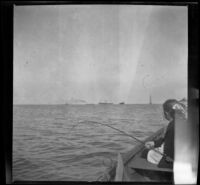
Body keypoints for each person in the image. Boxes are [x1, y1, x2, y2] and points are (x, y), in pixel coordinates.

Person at [143, 99, 187, 169]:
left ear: (166, 113)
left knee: (146, 153)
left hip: (176, 162)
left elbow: (169, 155)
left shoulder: (172, 126)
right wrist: (155, 143)